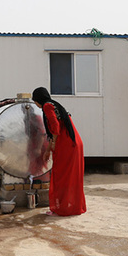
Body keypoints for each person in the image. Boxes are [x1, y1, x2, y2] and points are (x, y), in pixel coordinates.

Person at [32, 87, 86, 216]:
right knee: (71, 177)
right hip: (74, 143)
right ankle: (72, 206)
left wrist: (53, 144)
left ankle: (62, 208)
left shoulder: (47, 106)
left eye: (35, 101)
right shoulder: (55, 105)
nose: (35, 104)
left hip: (66, 145)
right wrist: (48, 150)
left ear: (38, 99)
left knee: (61, 176)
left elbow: (55, 127)